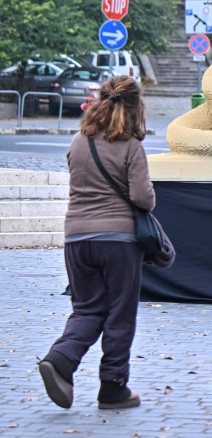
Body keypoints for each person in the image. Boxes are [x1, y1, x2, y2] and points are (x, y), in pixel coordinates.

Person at [39, 76, 153, 410]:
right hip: (117, 241)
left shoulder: (77, 141)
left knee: (87, 307)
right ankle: (113, 387)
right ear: (135, 107)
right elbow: (142, 198)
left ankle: (61, 358)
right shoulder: (131, 144)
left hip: (76, 237)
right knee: (120, 313)